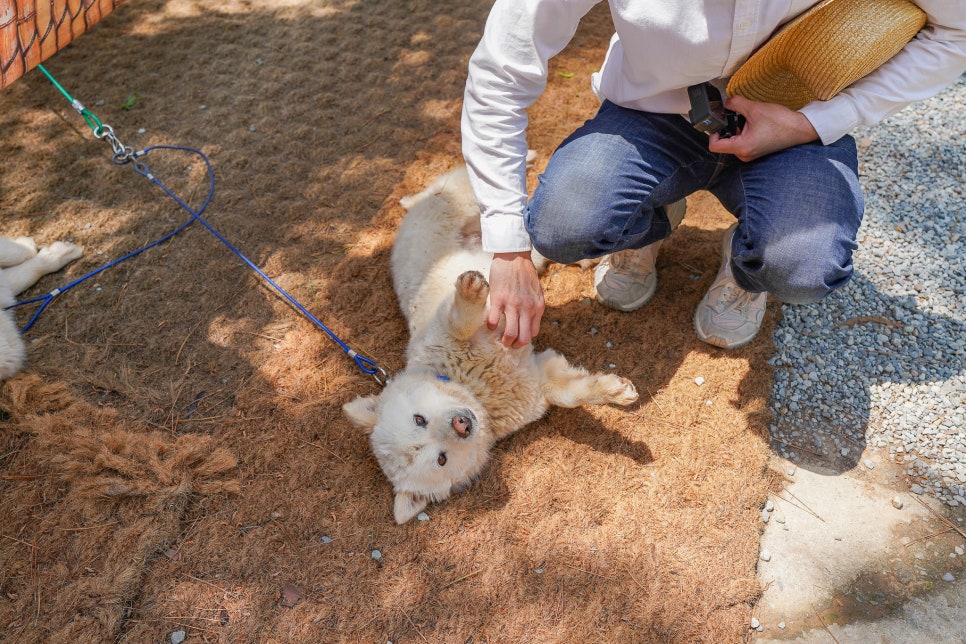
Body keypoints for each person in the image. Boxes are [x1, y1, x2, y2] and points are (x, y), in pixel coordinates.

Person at [461, 0, 966, 350]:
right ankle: (649, 214)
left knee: (802, 269)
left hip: (795, 123)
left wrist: (815, 122)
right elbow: (499, 73)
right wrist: (507, 248)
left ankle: (748, 265)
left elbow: (956, 28)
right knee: (560, 227)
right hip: (652, 113)